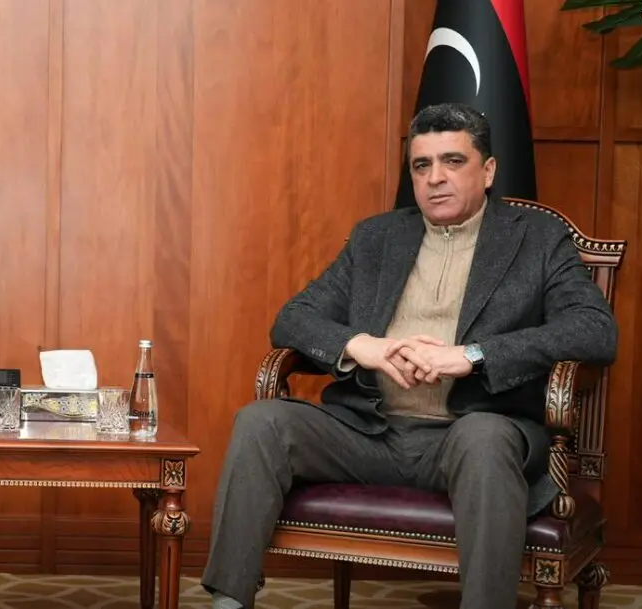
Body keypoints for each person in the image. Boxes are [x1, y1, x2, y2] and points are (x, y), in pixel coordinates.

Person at [200, 102, 617, 609]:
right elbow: (292, 319)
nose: (435, 178)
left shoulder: (537, 239)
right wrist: (362, 346)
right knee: (261, 422)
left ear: (488, 171)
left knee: (484, 439)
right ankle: (229, 601)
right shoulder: (377, 238)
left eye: (453, 161)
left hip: (470, 434)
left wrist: (474, 355)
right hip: (368, 432)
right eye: (422, 165)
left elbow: (595, 330)